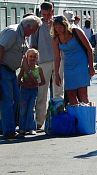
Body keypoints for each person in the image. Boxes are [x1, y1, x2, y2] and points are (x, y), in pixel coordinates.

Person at [0, 15, 42, 139]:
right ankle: (9, 131)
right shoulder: (13, 33)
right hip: (1, 66)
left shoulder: (22, 35)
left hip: (10, 69)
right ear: (28, 26)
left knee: (16, 98)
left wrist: (27, 73)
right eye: (34, 29)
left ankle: (4, 127)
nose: (34, 32)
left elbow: (24, 55)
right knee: (7, 99)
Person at [30, 2, 63, 130]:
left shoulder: (58, 23)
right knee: (41, 92)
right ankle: (39, 121)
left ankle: (57, 117)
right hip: (43, 61)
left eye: (49, 14)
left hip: (58, 60)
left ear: (52, 11)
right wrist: (33, 63)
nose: (47, 17)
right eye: (44, 14)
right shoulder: (37, 25)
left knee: (58, 91)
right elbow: (33, 45)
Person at [52, 15, 95, 105]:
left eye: (60, 27)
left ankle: (86, 115)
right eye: (56, 28)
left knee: (82, 93)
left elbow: (89, 49)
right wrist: (56, 74)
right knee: (70, 93)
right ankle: (76, 116)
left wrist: (91, 67)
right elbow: (57, 57)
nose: (58, 30)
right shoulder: (56, 39)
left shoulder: (76, 31)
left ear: (65, 25)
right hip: (68, 66)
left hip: (81, 64)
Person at [17, 48, 45, 135]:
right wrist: (23, 84)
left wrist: (36, 84)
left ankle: (32, 128)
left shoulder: (39, 69)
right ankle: (22, 127)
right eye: (30, 56)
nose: (32, 58)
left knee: (31, 109)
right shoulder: (24, 68)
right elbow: (19, 78)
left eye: (35, 57)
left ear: (37, 58)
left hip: (33, 91)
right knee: (23, 109)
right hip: (24, 91)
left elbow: (43, 81)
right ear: (27, 57)